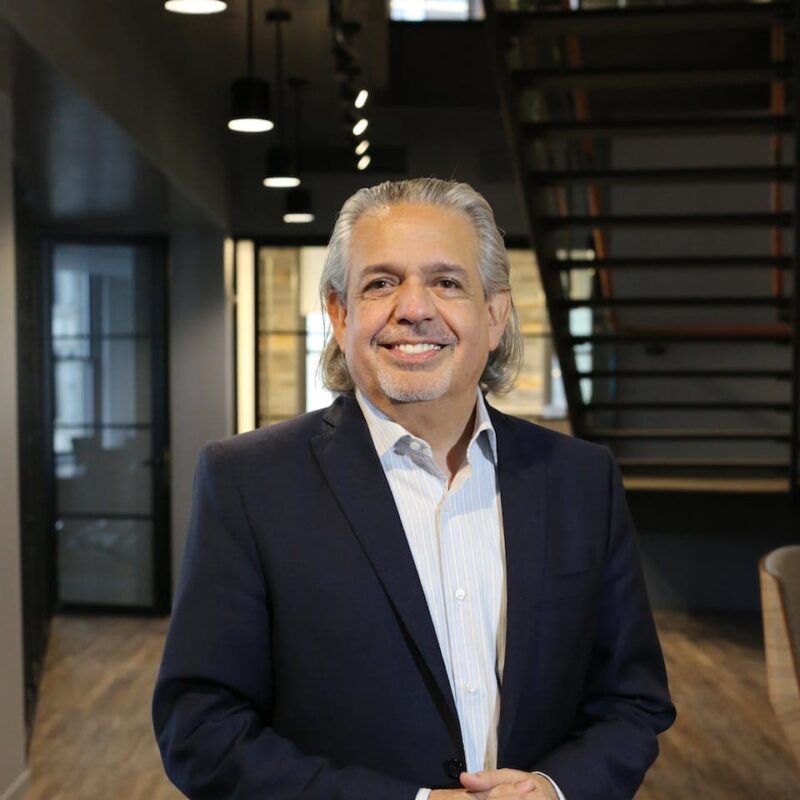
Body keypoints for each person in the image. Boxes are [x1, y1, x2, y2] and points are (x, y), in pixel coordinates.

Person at [153, 177, 675, 800]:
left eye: (447, 282)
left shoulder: (580, 480)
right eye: (381, 282)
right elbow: (202, 729)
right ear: (340, 313)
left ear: (495, 314)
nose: (414, 308)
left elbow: (632, 701)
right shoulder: (245, 482)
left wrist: (555, 790)